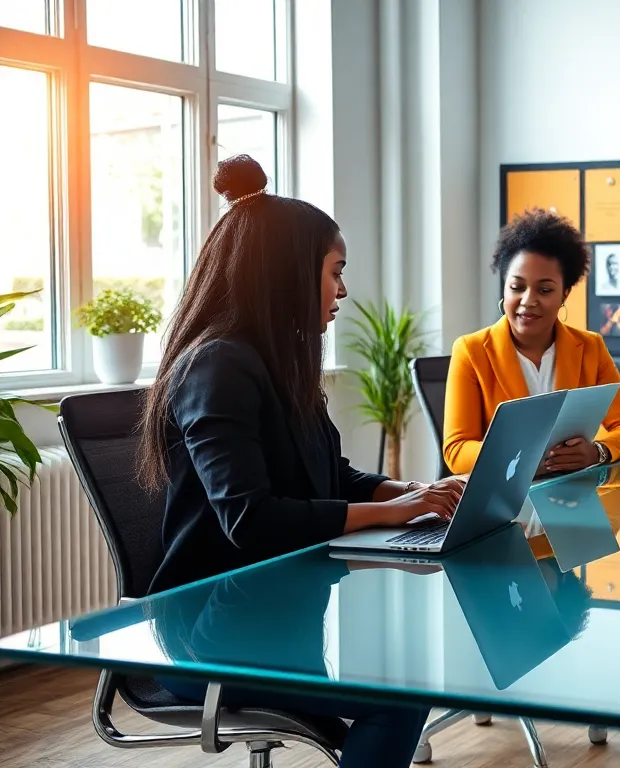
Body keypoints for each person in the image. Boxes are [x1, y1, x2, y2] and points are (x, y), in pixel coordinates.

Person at [135, 155, 453, 766]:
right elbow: (250, 520)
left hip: (273, 609)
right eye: (335, 272)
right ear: (287, 272)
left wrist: (408, 491)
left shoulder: (282, 364)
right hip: (207, 636)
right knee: (400, 694)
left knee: (405, 674)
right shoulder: (217, 366)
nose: (343, 290)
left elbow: (331, 475)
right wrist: (387, 515)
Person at [443, 209, 620, 475]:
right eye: (517, 287)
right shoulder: (470, 351)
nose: (528, 300)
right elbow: (456, 450)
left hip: (569, 496)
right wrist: (524, 458)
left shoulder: (590, 347)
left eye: (545, 289)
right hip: (501, 499)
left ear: (564, 293)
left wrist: (597, 451)